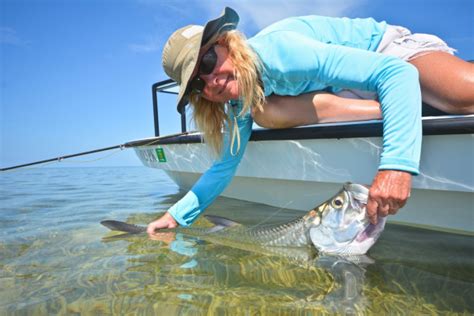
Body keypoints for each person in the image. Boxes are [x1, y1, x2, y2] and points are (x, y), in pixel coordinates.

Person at [147, 7, 474, 235]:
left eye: (207, 62)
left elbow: (397, 72)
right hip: (348, 89)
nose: (211, 81)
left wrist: (397, 166)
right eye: (196, 86)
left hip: (388, 53)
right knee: (266, 112)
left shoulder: (281, 54)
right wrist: (175, 217)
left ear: (225, 44)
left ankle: (405, 102)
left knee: (465, 96)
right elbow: (223, 167)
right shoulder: (241, 101)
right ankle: (393, 107)